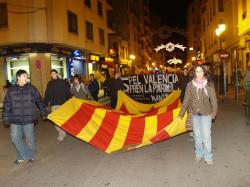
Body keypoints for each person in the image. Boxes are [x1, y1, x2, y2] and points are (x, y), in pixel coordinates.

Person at [3, 70, 47, 164]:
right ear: (18, 77)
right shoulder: (11, 89)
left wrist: (43, 113)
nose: (26, 78)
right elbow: (7, 104)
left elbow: (39, 101)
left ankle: (30, 156)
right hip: (15, 119)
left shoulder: (32, 88)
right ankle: (22, 155)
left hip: (29, 118)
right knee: (14, 138)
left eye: (26, 76)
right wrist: (6, 118)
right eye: (24, 76)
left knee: (30, 139)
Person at [177, 65, 218, 165]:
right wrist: (180, 114)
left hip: (206, 114)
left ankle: (208, 156)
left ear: (204, 72)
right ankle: (199, 154)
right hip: (194, 114)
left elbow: (213, 101)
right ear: (194, 73)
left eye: (200, 71)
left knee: (206, 137)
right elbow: (186, 100)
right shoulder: (190, 85)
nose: (199, 73)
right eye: (197, 71)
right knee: (198, 137)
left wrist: (213, 114)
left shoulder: (209, 85)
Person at [44, 69, 71, 141]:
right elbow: (47, 94)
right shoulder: (49, 84)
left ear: (57, 74)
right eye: (51, 74)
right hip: (54, 105)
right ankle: (63, 131)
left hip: (62, 104)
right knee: (55, 122)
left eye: (54, 73)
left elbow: (67, 92)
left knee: (60, 120)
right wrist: (44, 104)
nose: (53, 75)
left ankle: (61, 135)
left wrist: (71, 97)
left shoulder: (62, 82)